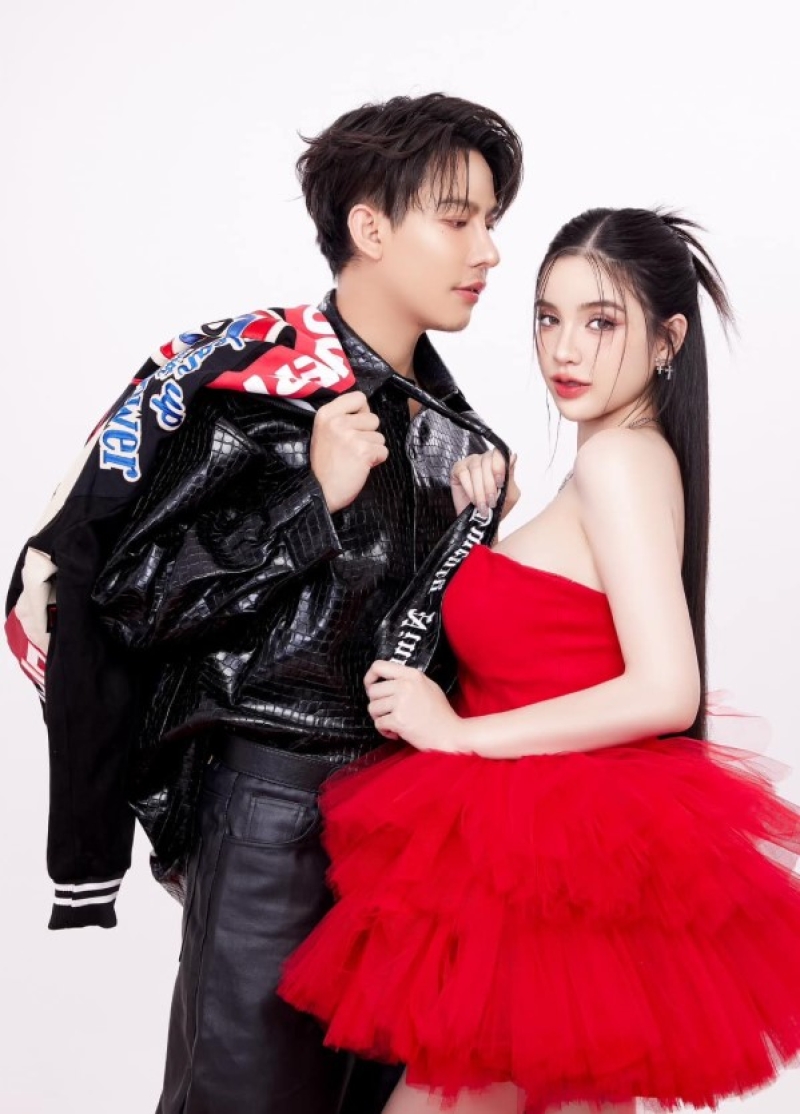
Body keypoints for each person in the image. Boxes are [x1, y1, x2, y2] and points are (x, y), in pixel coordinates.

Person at [5, 93, 523, 1114]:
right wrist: (307, 501)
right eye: (458, 217)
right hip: (273, 817)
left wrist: (489, 538)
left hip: (412, 836)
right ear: (370, 227)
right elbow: (128, 602)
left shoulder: (464, 441)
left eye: (492, 221)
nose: (488, 251)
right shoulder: (254, 391)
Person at [278, 207, 800, 1114]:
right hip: (553, 855)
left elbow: (666, 689)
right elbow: (563, 630)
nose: (565, 349)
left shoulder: (619, 464)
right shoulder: (620, 461)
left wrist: (456, 734)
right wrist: (481, 531)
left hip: (546, 855)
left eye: (602, 322)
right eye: (549, 317)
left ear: (668, 340)